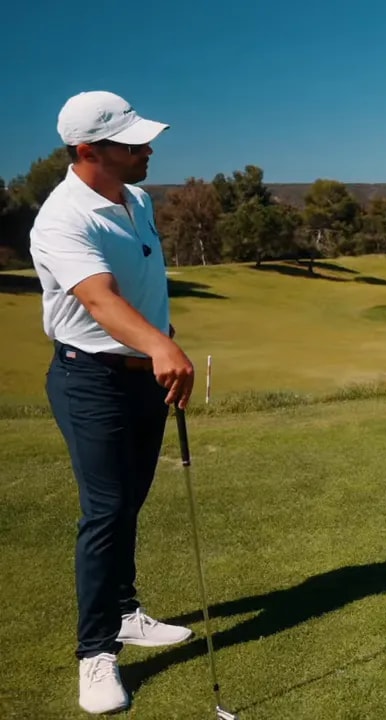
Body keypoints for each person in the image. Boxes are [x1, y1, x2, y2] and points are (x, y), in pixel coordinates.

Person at [29, 90, 198, 715]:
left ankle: (125, 611)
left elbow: (142, 280)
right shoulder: (61, 219)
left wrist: (159, 338)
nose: (147, 149)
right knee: (104, 510)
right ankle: (95, 654)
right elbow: (99, 298)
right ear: (88, 150)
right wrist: (160, 344)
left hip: (143, 376)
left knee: (129, 502)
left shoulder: (138, 199)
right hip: (90, 379)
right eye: (131, 143)